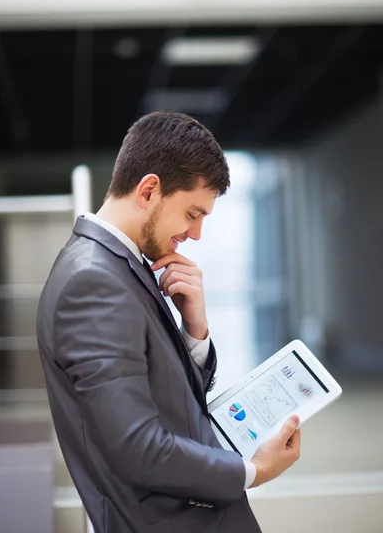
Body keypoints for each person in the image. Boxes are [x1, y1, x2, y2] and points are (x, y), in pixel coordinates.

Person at [37, 111, 300, 533]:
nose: (195, 234)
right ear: (149, 190)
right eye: (192, 213)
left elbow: (163, 400)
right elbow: (138, 449)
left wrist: (193, 333)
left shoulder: (120, 265)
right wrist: (253, 471)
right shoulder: (92, 280)